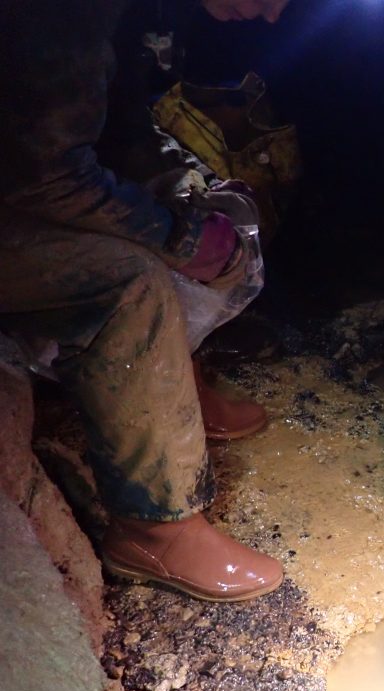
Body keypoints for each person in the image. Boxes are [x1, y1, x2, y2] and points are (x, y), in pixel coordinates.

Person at [0, 0, 292, 602]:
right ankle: (154, 528)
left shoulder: (127, 9)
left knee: (195, 204)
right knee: (129, 281)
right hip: (19, 188)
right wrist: (180, 239)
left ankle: (172, 393)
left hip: (30, 178)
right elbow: (42, 177)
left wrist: (191, 188)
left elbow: (120, 131)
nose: (271, 17)